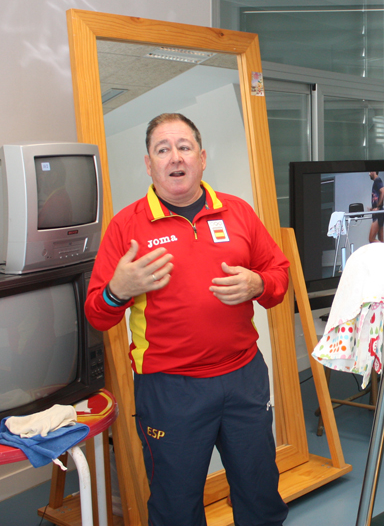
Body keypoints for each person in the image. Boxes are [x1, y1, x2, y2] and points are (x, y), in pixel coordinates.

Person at [85, 112, 289, 526]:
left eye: (184, 147)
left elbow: (279, 277)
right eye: (162, 149)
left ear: (202, 157)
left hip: (243, 379)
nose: (174, 157)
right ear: (149, 164)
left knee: (260, 494)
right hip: (169, 389)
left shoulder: (239, 213)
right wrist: (117, 291)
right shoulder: (127, 227)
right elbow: (97, 314)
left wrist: (257, 284)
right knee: (176, 507)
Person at [368, 171, 384, 243]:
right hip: (379, 212)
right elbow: (377, 196)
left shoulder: (377, 180)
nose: (369, 174)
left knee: (371, 239)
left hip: (378, 213)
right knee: (381, 240)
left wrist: (378, 207)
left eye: (370, 172)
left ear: (374, 171)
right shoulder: (376, 181)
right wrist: (373, 208)